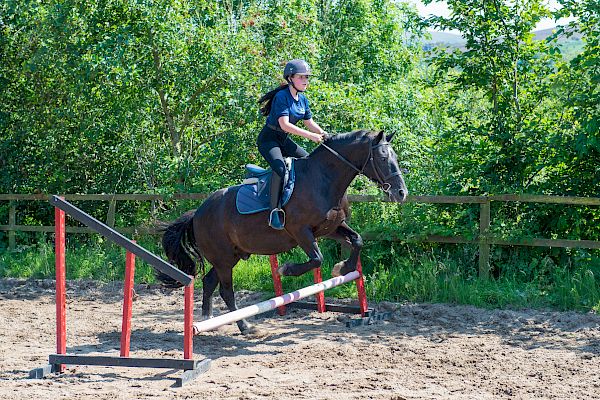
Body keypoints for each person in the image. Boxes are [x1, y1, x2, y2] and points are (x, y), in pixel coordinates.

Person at [257, 59, 326, 230]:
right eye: (301, 77)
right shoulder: (282, 97)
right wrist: (311, 136)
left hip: (283, 140)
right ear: (290, 78)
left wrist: (325, 134)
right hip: (269, 140)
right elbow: (285, 125)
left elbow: (309, 123)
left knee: (309, 162)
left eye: (307, 77)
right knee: (280, 168)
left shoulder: (302, 100)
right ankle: (274, 211)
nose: (305, 81)